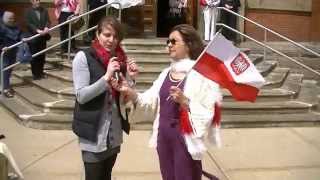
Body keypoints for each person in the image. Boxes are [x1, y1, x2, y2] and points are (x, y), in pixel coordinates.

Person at [113, 24, 222, 180]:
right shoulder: (165, 73)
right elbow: (150, 101)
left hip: (185, 139)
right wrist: (129, 92)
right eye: (168, 42)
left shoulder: (201, 76)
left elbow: (210, 112)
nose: (169, 45)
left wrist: (186, 102)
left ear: (189, 45)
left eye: (174, 41)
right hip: (163, 137)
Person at [72, 16, 138, 180]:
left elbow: (123, 96)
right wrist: (106, 77)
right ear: (97, 34)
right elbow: (81, 96)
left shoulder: (118, 60)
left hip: (113, 133)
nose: (111, 40)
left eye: (115, 37)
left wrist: (130, 78)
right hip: (94, 133)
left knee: (106, 175)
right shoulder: (83, 57)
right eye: (107, 35)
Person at [25, 0, 51, 80]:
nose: (38, 2)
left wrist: (46, 27)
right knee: (34, 56)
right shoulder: (28, 11)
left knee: (42, 56)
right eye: (36, 0)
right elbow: (28, 23)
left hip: (43, 37)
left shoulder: (44, 10)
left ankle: (41, 72)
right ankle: (35, 74)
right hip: (33, 37)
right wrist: (37, 30)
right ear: (31, 2)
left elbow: (48, 21)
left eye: (39, 0)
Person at [0, 11, 22, 98]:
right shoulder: (1, 27)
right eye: (10, 18)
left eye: (13, 18)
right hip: (4, 52)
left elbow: (20, 34)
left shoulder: (15, 26)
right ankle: (5, 89)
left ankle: (4, 85)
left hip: (13, 50)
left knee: (8, 70)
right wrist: (2, 47)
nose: (12, 20)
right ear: (5, 18)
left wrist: (23, 38)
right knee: (4, 69)